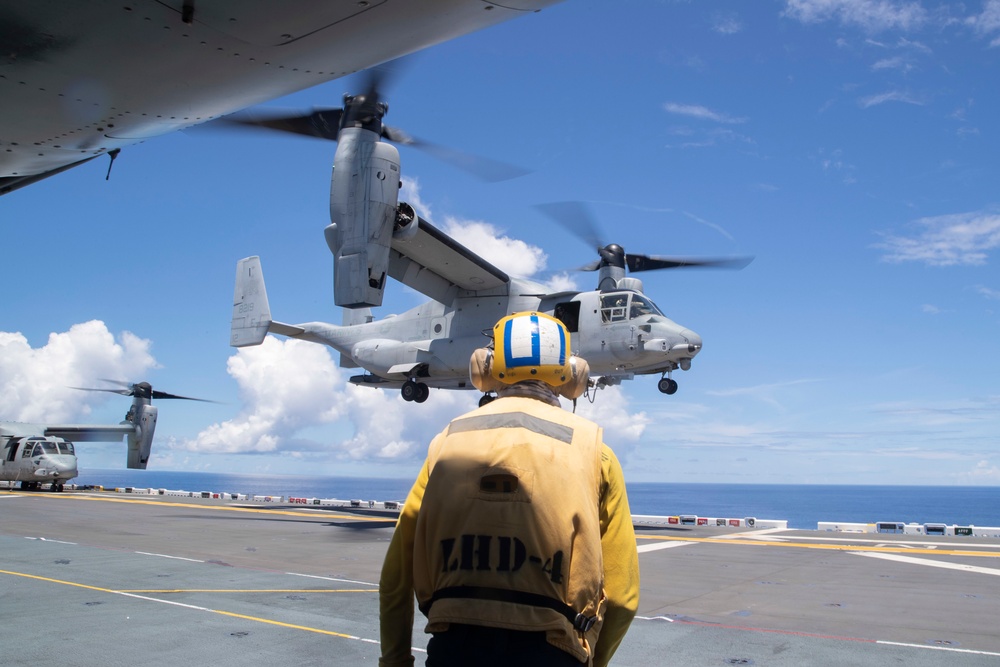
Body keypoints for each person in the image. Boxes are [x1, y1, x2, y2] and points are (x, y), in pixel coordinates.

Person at [379, 311, 639, 667]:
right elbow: (624, 597)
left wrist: (394, 660)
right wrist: (595, 661)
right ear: (573, 374)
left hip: (452, 649)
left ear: (485, 368)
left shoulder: (446, 442)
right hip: (554, 651)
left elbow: (395, 575)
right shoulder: (596, 453)